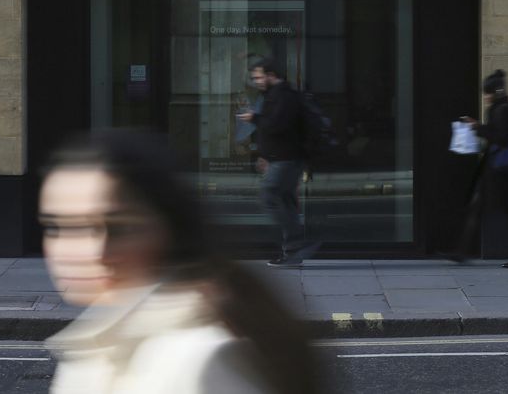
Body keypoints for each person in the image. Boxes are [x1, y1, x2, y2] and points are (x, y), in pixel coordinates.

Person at [40, 130, 319, 394]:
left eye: (118, 228)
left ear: (168, 230)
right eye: (58, 227)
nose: (92, 252)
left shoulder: (197, 359)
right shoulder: (92, 346)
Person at [236, 58, 320, 268]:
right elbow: (274, 129)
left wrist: (254, 118)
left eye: (259, 77)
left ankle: (297, 241)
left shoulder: (283, 96)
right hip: (283, 158)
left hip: (286, 159)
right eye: (254, 78)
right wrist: (265, 155)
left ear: (271, 75)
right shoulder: (275, 95)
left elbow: (276, 127)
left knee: (269, 197)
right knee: (286, 202)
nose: (256, 81)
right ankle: (292, 251)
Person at [451, 70, 508, 268]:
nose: (485, 97)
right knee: (479, 208)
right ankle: (462, 252)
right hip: (495, 170)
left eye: (487, 93)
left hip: (501, 171)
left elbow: (501, 138)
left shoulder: (502, 109)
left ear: (496, 91)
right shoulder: (500, 107)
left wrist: (478, 127)